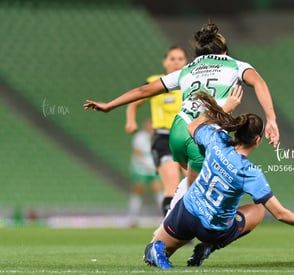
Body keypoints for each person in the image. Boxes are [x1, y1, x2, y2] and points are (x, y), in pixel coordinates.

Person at [142, 88, 294, 269]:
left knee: (159, 248)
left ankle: (155, 250)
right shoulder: (250, 172)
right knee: (258, 209)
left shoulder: (216, 140)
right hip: (212, 229)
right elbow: (280, 213)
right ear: (258, 140)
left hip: (187, 212)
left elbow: (193, 125)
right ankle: (209, 247)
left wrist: (222, 109)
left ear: (236, 130)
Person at [84, 22, 280, 190]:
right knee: (210, 194)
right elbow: (259, 83)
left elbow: (143, 91)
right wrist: (271, 118)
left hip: (178, 130)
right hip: (204, 135)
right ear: (224, 52)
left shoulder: (187, 69)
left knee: (190, 188)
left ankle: (176, 217)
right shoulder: (235, 64)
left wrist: (110, 105)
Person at [125, 46, 187, 216]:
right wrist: (131, 120)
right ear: (165, 62)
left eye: (180, 58)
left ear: (186, 62)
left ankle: (189, 226)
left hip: (187, 139)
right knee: (172, 187)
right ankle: (170, 231)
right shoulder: (156, 81)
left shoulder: (191, 82)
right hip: (164, 139)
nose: (176, 62)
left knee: (195, 186)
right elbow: (134, 102)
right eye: (172, 59)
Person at [128, 119, 163, 226]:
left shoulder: (158, 137)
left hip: (154, 168)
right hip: (141, 168)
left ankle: (165, 216)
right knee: (138, 190)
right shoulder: (140, 137)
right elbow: (137, 153)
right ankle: (133, 217)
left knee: (158, 188)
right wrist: (145, 163)